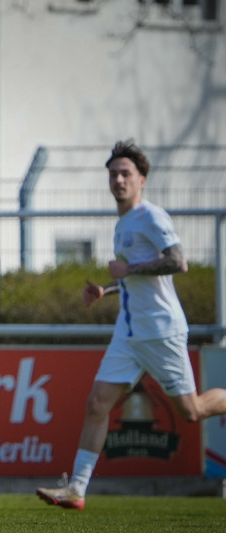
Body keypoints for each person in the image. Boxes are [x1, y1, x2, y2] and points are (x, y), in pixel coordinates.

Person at [37, 140, 226, 510]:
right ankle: (76, 488)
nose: (118, 179)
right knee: (97, 403)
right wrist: (106, 290)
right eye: (113, 174)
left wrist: (129, 269)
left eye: (126, 173)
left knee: (191, 412)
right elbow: (137, 277)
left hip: (160, 330)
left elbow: (178, 262)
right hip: (129, 333)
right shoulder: (123, 222)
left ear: (142, 180)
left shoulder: (152, 216)